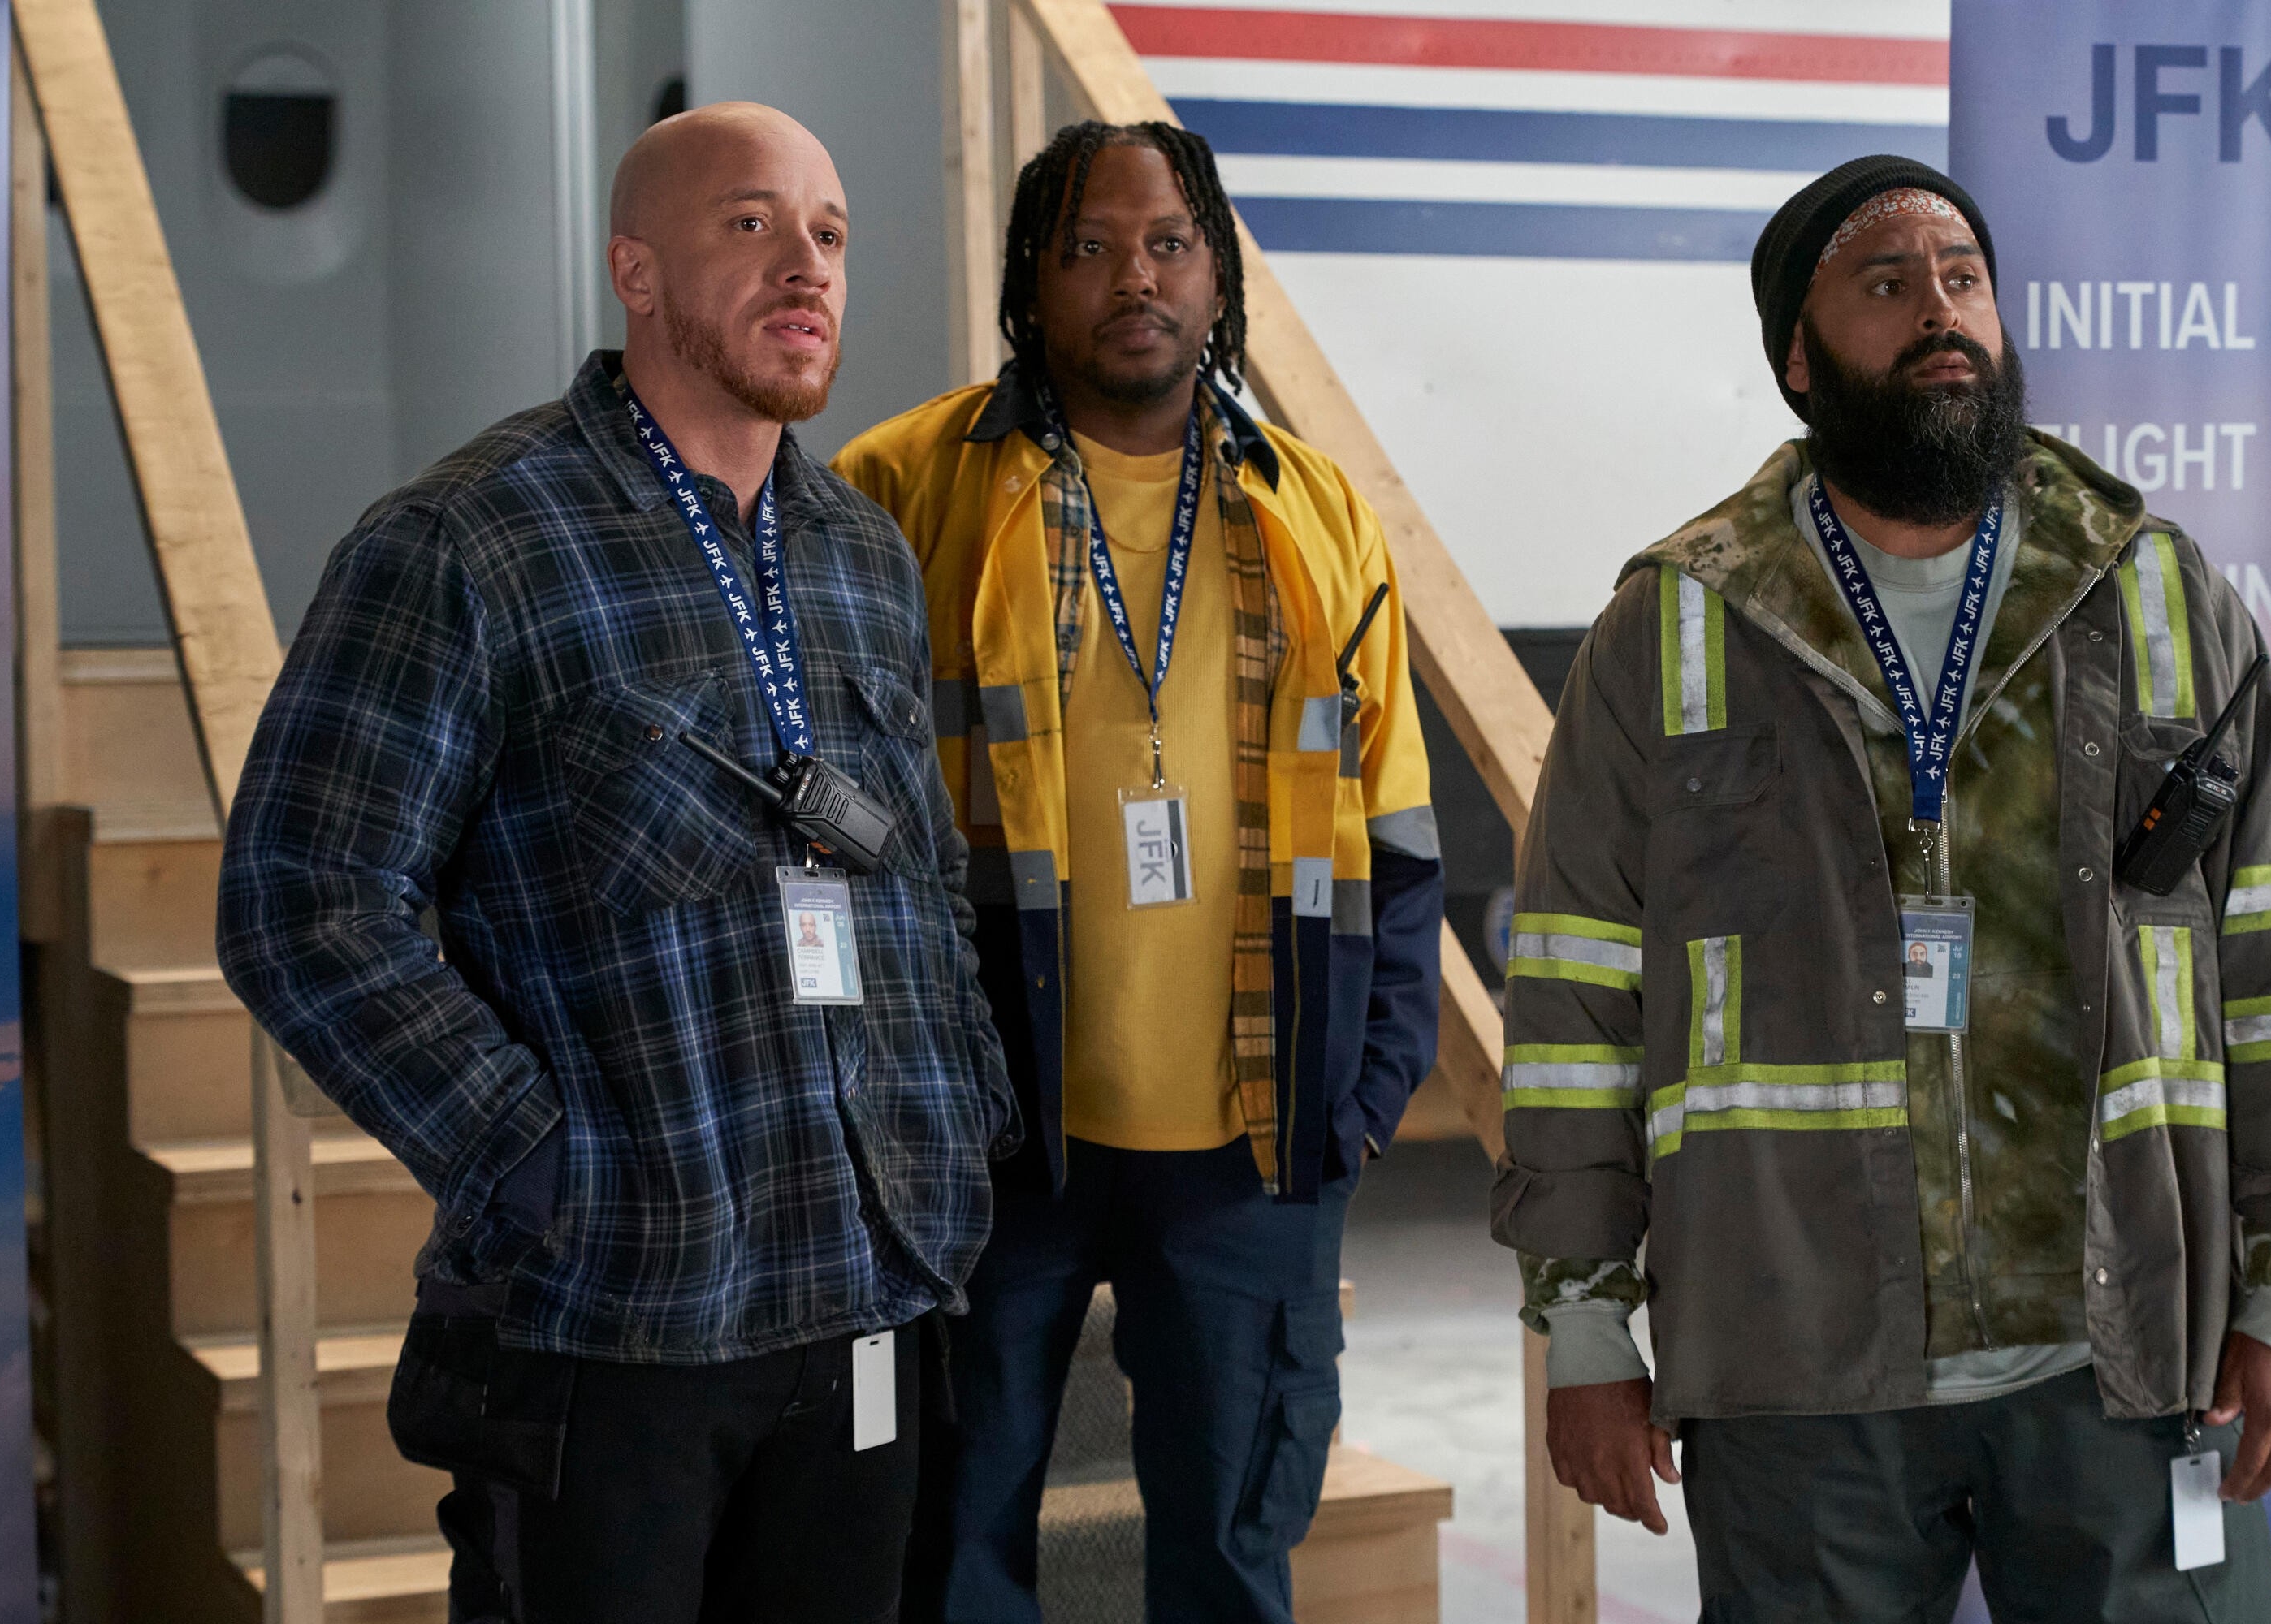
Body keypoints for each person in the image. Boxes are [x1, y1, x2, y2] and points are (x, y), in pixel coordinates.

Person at [1491, 154, 2271, 1621]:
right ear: (1800, 359)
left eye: (1964, 277)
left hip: (2125, 1359)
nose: (1942, 309)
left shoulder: (2160, 595)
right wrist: (1584, 1325)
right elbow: (1572, 1004)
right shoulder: (1671, 633)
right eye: (1887, 280)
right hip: (1798, 1372)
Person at [218, 102, 1013, 1622]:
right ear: (633, 271)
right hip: (615, 1318)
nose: (808, 267)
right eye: (752, 225)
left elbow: (906, 879)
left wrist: (955, 1120)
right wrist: (539, 1163)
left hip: (865, 1285)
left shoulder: (862, 553)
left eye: (831, 235)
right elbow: (303, 900)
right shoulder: (469, 540)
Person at [834, 121, 1443, 1622]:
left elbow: (1396, 825)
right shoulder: (897, 487)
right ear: (1029, 283)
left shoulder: (1317, 513)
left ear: (1220, 278)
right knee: (954, 1543)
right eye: (1089, 247)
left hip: (1253, 1135)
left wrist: (1367, 1092)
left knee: (1231, 1559)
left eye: (1169, 244)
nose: (1134, 279)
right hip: (990, 1137)